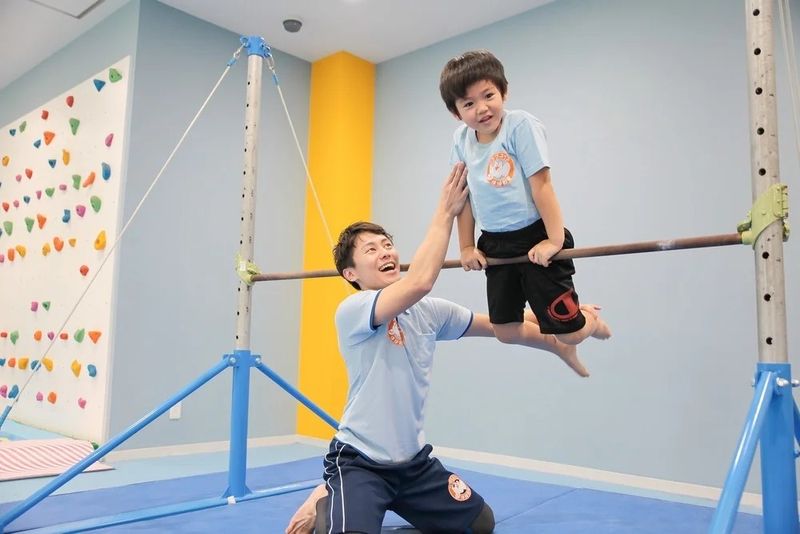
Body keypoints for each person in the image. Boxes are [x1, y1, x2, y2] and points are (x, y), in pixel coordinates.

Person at [285, 163, 584, 534]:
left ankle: (343, 503)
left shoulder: (429, 312)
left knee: (479, 524)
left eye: (387, 245)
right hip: (361, 461)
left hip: (414, 467)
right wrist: (446, 212)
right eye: (371, 250)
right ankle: (331, 496)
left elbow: (502, 325)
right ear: (351, 274)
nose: (384, 252)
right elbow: (420, 281)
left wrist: (564, 323)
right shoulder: (354, 310)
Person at [438, 50, 611, 377]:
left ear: (504, 92)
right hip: (495, 243)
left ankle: (588, 321)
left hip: (535, 236)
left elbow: (542, 185)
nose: (482, 108)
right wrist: (466, 246)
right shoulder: (461, 140)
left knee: (571, 332)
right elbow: (464, 198)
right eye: (469, 103)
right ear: (455, 112)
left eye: (488, 96)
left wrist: (554, 240)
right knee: (505, 331)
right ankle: (559, 343)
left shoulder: (520, 126)